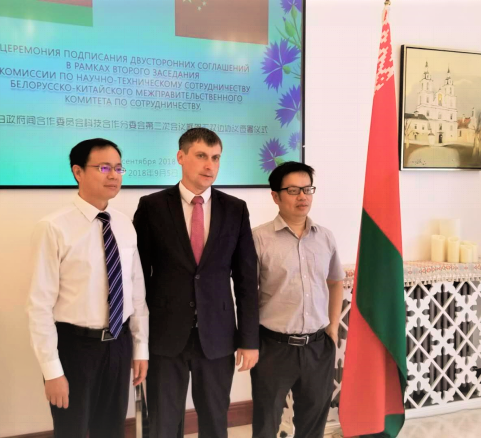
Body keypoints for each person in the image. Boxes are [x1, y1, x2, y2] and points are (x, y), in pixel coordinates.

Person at [133, 127, 259, 437]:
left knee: (215, 421)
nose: (209, 165)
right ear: (181, 157)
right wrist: (138, 339)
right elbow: (138, 278)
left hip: (217, 336)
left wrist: (249, 339)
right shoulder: (152, 206)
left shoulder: (235, 209)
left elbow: (246, 279)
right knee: (163, 423)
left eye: (216, 158)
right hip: (165, 336)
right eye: (201, 156)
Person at [26, 138, 149, 438]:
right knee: (73, 430)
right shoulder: (53, 227)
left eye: (118, 168)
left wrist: (140, 348)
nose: (113, 175)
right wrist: (52, 371)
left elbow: (136, 293)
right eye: (104, 168)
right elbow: (39, 305)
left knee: (112, 430)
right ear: (78, 172)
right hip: (75, 348)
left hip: (118, 344)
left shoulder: (124, 224)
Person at [249, 161, 345, 437]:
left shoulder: (325, 237)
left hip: (318, 346)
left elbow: (335, 281)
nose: (302, 196)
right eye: (293, 190)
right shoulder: (259, 238)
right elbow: (247, 293)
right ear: (275, 196)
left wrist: (333, 326)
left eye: (307, 189)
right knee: (266, 422)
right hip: (273, 347)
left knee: (313, 422)